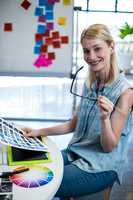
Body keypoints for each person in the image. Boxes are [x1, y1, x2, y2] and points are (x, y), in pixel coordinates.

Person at [22, 24, 133, 199]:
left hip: (102, 165)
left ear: (111, 47)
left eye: (97, 49)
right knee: (28, 170)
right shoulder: (91, 83)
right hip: (76, 152)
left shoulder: (126, 93)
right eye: (86, 51)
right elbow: (74, 124)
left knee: (38, 184)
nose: (91, 57)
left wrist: (104, 119)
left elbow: (109, 146)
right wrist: (39, 131)